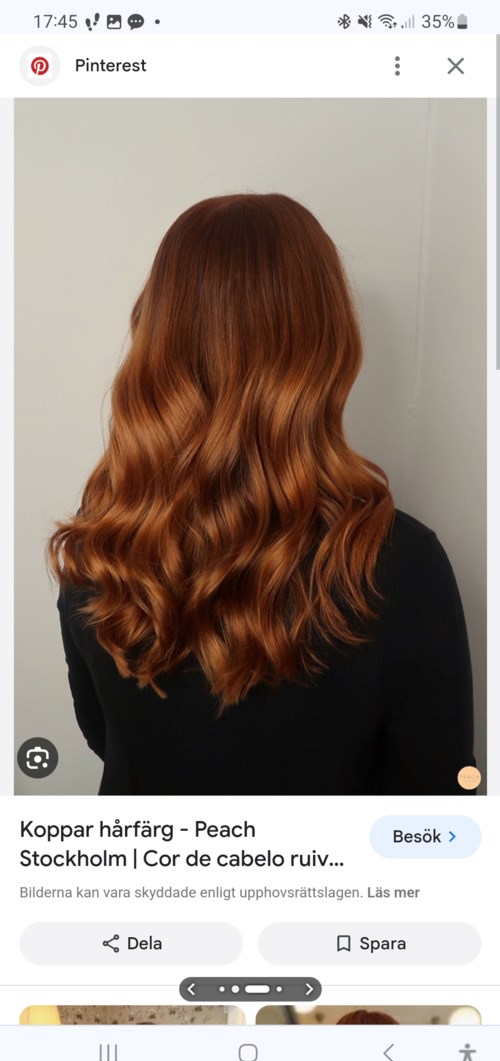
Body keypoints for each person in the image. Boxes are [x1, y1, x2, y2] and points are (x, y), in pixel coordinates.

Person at [48, 193, 474, 796]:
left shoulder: (100, 544)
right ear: (326, 345)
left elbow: (107, 738)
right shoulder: (400, 563)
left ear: (157, 333)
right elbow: (438, 802)